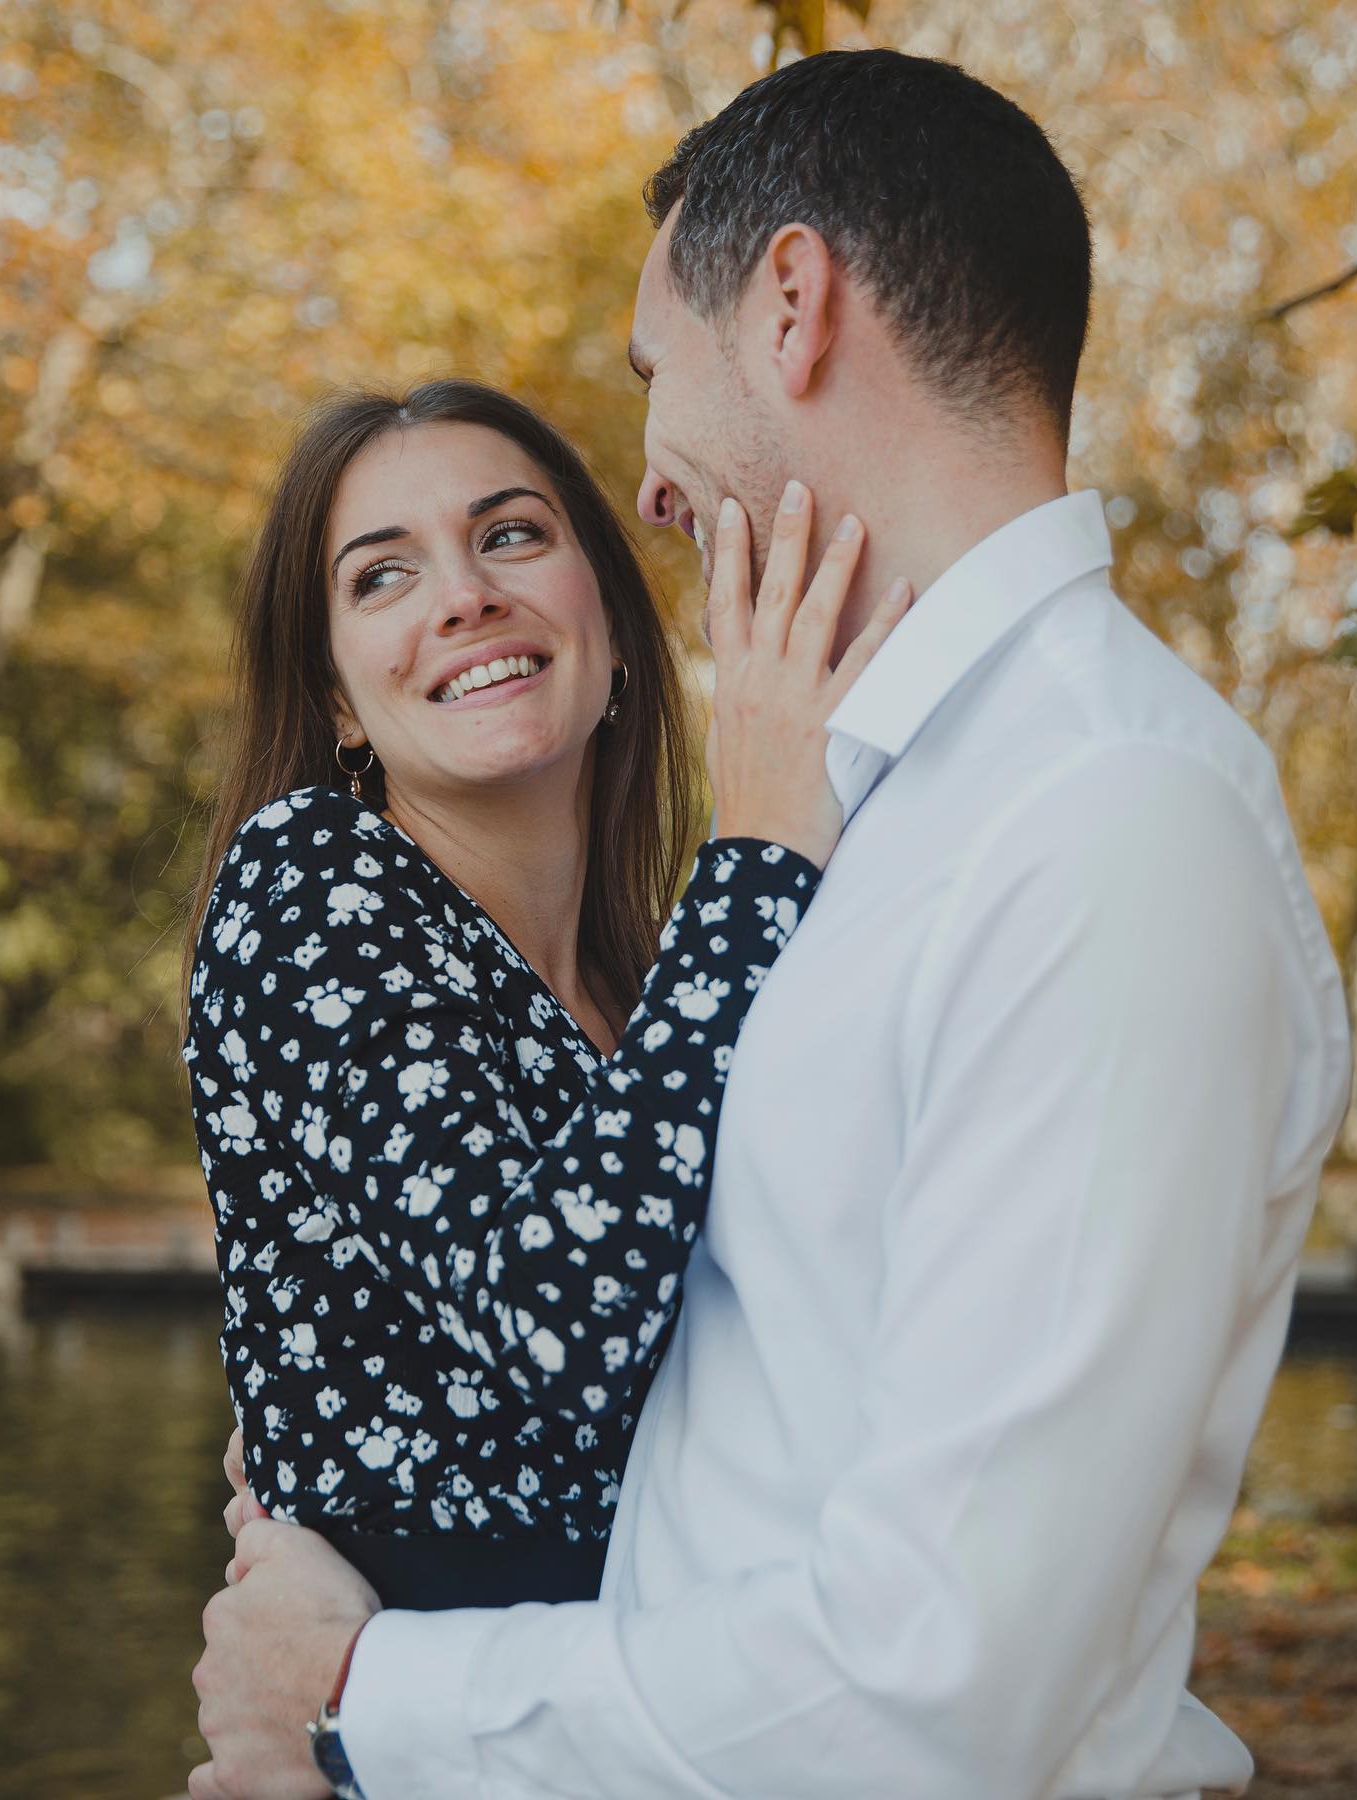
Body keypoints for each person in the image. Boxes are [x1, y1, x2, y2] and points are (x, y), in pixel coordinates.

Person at [190, 48, 1352, 1800]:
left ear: (793, 307)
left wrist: (364, 1693)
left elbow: (942, 1686)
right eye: (385, 575)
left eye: (655, 373)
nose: (652, 486)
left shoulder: (1104, 819)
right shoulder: (865, 826)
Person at [181, 378, 907, 1612]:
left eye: (510, 534)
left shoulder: (649, 987)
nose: (466, 596)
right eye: (381, 576)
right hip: (450, 1730)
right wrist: (763, 846)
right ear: (339, 704)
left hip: (663, 1703)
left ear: (614, 628)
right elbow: (553, 1320)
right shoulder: (306, 879)